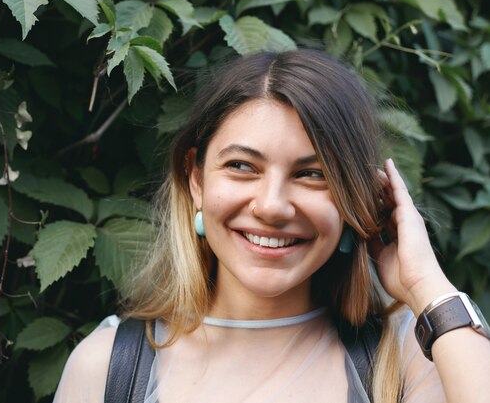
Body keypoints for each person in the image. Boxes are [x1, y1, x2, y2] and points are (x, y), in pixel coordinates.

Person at [53, 49, 490, 403]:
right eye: (242, 166)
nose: (272, 206)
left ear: (355, 198)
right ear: (197, 178)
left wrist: (426, 285)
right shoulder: (108, 368)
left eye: (312, 173)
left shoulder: (409, 361)